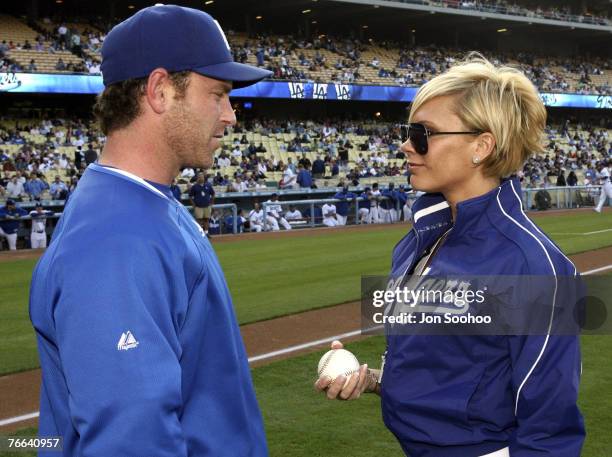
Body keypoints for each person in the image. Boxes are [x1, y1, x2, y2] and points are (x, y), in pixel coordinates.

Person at [29, 5, 271, 456]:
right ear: (160, 90)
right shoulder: (115, 242)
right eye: (217, 93)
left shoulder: (142, 204)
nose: (230, 115)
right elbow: (133, 441)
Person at [316, 54, 584, 457]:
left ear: (481, 146)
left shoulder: (534, 266)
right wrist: (372, 380)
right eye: (408, 131)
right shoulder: (419, 240)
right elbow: (453, 369)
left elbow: (550, 432)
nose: (406, 144)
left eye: (423, 133)